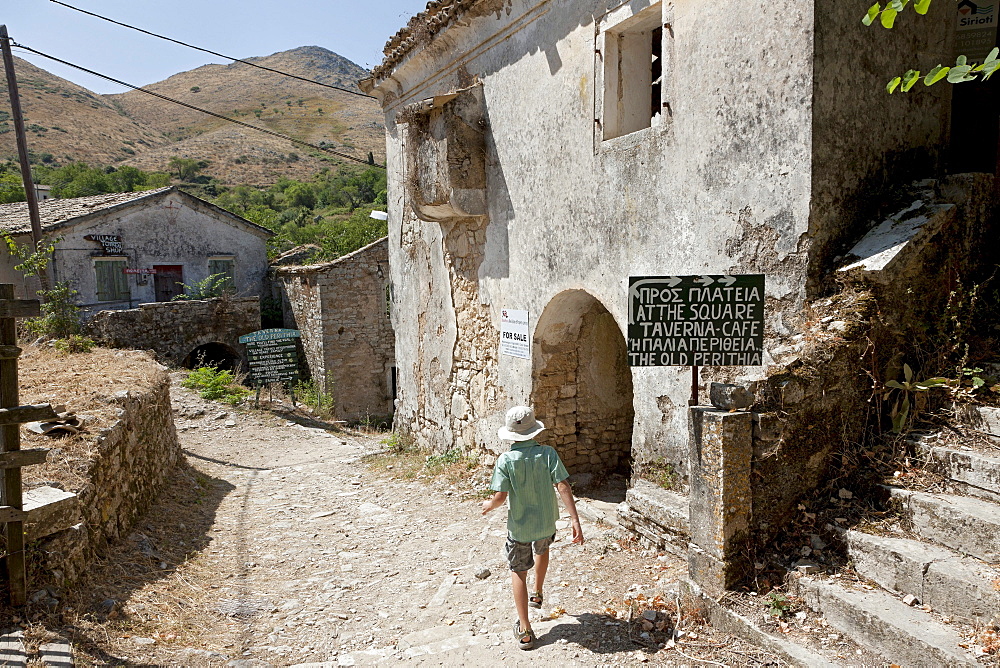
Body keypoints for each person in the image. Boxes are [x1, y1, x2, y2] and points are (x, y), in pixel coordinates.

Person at [481, 405, 584, 650]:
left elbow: (500, 497)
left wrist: (488, 505)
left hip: (520, 527)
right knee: (542, 549)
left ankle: (526, 631)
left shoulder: (505, 460)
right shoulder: (548, 454)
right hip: (546, 521)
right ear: (534, 432)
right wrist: (575, 519)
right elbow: (563, 486)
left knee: (518, 570)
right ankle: (537, 592)